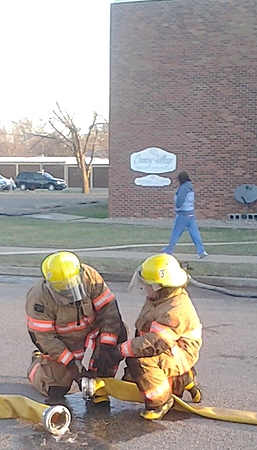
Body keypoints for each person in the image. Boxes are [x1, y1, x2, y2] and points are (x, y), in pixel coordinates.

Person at [99, 253, 203, 421]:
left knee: (140, 360)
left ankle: (161, 401)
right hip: (173, 350)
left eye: (147, 285)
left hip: (179, 352)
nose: (144, 288)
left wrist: (120, 351)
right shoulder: (161, 298)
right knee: (134, 377)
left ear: (159, 287)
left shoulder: (175, 310)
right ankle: (183, 378)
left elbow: (153, 344)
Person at [26, 251, 127, 403]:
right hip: (63, 342)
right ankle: (36, 366)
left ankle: (99, 385)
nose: (70, 295)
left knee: (116, 338)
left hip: (93, 331)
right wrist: (73, 366)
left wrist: (106, 347)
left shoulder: (90, 278)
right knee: (56, 390)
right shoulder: (39, 299)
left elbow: (109, 313)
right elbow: (45, 339)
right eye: (64, 292)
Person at [162, 171, 207, 259]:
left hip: (183, 214)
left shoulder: (183, 188)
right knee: (195, 233)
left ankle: (169, 250)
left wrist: (177, 206)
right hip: (191, 213)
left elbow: (180, 201)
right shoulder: (190, 187)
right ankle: (201, 251)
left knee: (176, 233)